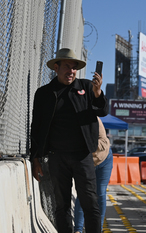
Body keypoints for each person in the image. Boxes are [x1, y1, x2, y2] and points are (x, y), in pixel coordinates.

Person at [30, 48, 108, 233]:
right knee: (62, 206)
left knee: (90, 204)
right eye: (67, 67)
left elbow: (102, 111)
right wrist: (35, 159)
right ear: (56, 68)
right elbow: (36, 127)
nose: (71, 71)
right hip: (57, 158)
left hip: (82, 156)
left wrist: (97, 93)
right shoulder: (44, 93)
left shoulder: (87, 88)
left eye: (74, 68)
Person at [74, 117, 113, 233]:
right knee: (83, 193)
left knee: (100, 192)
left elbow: (103, 142)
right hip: (85, 162)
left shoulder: (94, 119)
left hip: (103, 159)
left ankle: (98, 229)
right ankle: (78, 229)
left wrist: (85, 144)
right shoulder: (71, 122)